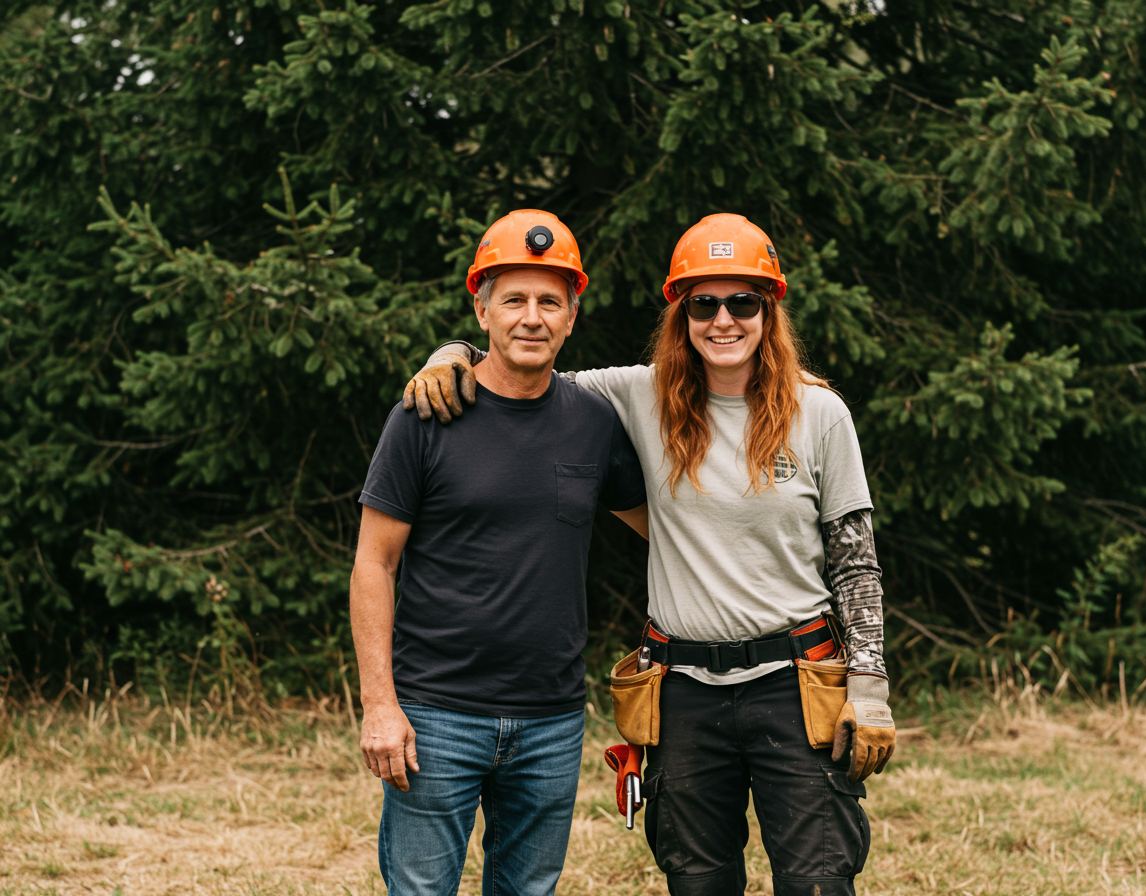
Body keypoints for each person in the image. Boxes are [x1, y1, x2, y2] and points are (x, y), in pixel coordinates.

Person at [405, 213, 894, 896]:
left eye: (743, 302)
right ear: (681, 314)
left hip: (796, 683)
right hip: (683, 691)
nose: (723, 320)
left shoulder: (819, 413)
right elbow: (523, 366)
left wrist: (869, 686)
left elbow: (855, 562)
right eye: (703, 304)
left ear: (769, 310)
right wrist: (450, 354)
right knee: (696, 883)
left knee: (818, 882)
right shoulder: (637, 395)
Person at [350, 209, 647, 896]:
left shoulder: (594, 423)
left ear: (572, 317)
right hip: (435, 716)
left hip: (552, 719)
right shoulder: (425, 415)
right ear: (482, 311)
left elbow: (667, 534)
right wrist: (380, 705)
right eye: (513, 300)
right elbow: (374, 564)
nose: (532, 318)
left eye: (550, 302)